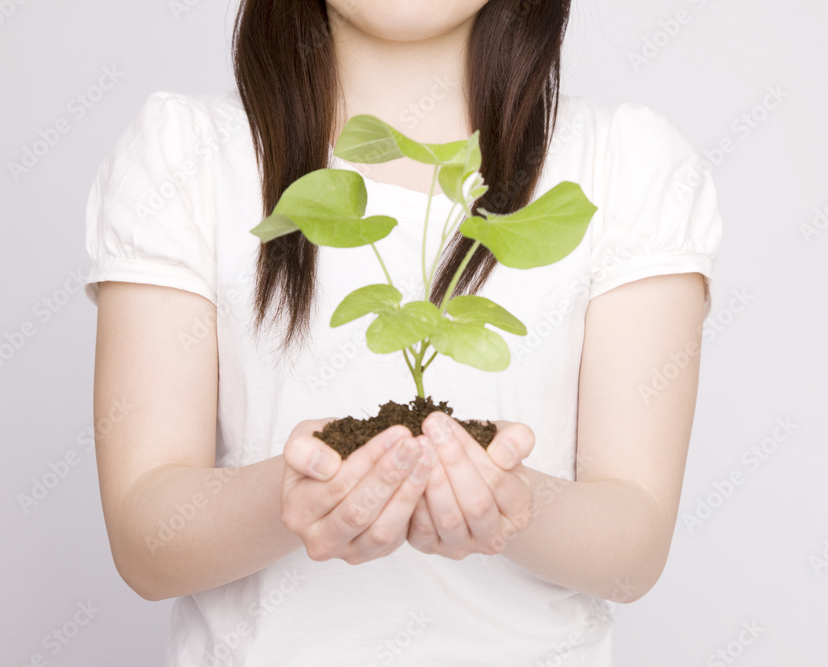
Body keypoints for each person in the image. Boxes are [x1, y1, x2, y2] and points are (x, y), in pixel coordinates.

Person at [82, 0, 722, 664]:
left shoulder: (628, 165)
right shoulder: (184, 156)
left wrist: (513, 498)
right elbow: (145, 542)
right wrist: (291, 493)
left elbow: (634, 547)